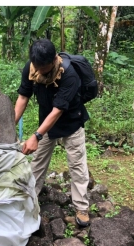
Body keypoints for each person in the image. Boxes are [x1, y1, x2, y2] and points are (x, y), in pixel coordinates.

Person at [14, 39, 90, 228]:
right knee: (37, 163)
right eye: (36, 67)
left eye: (44, 69)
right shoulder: (31, 68)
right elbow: (23, 96)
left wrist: (36, 136)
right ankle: (29, 199)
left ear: (54, 59)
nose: (39, 72)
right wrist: (10, 124)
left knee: (77, 165)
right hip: (46, 124)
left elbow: (58, 111)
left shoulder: (69, 74)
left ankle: (81, 207)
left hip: (71, 123)